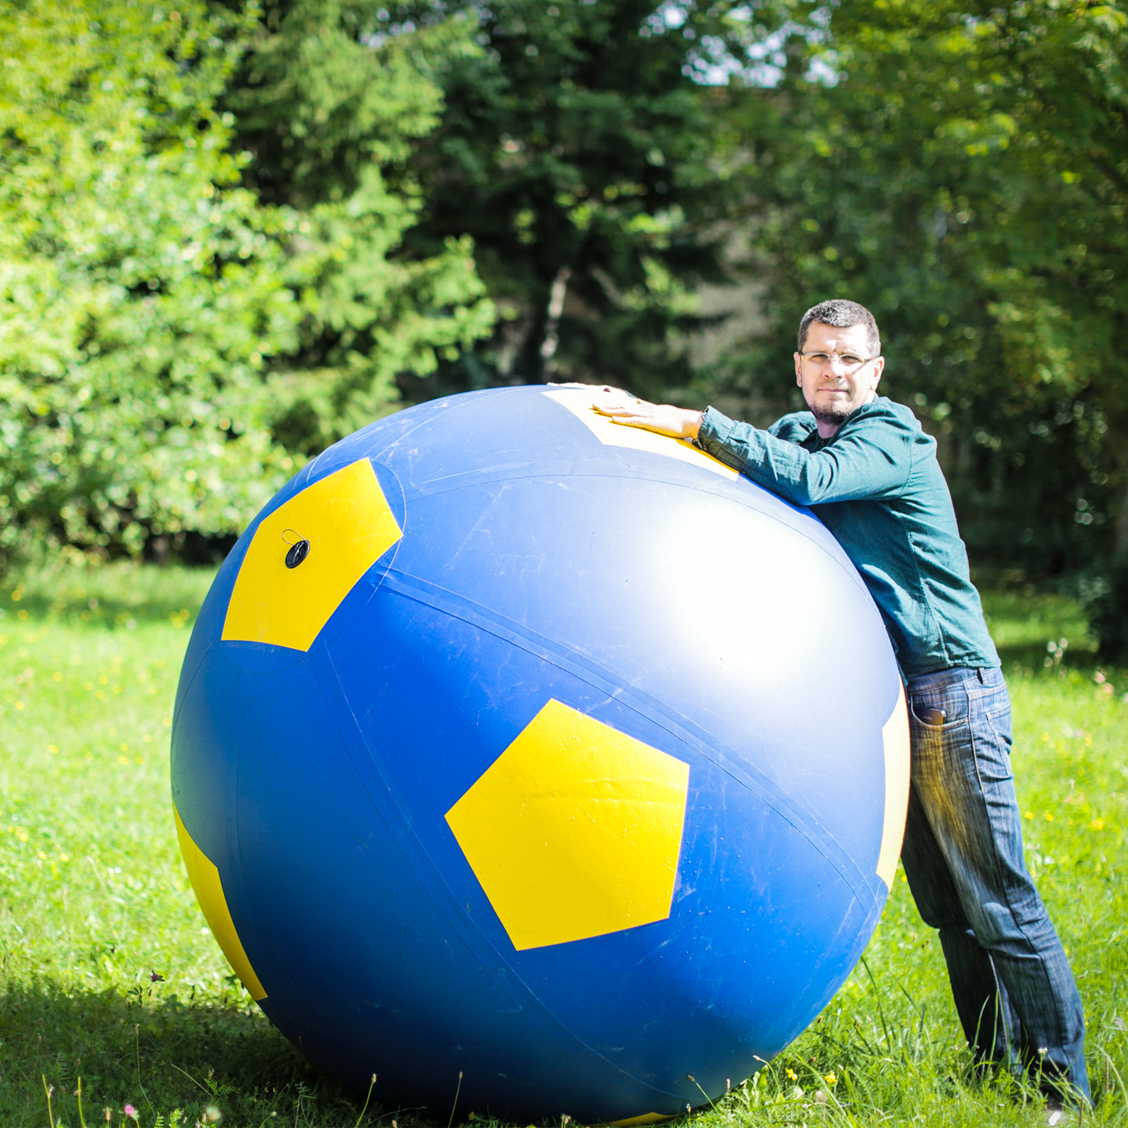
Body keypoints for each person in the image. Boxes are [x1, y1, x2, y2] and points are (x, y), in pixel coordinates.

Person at [592, 299, 1089, 1118]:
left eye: (851, 358)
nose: (835, 371)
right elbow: (752, 478)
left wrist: (689, 420)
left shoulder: (891, 437)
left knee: (998, 900)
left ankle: (1061, 1088)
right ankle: (994, 1071)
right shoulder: (798, 435)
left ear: (876, 369)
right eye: (820, 356)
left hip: (950, 692)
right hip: (888, 697)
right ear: (798, 367)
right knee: (950, 910)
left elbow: (811, 483)